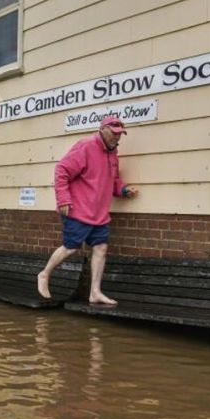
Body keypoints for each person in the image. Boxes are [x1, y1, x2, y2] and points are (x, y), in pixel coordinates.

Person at [37, 115, 138, 305]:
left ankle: (95, 292)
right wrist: (63, 200)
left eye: (120, 134)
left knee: (101, 248)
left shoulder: (113, 154)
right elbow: (61, 171)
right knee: (70, 247)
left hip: (99, 214)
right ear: (103, 130)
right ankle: (44, 274)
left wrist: (124, 190)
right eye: (114, 134)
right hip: (77, 211)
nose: (117, 138)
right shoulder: (86, 146)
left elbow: (112, 180)